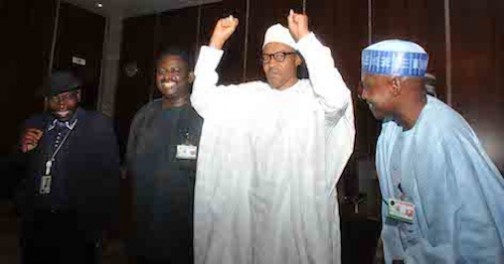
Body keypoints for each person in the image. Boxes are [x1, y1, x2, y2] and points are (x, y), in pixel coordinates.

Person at [191, 10, 355, 264]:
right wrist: (216, 43)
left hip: (299, 222)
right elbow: (201, 99)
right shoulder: (249, 96)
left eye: (280, 56)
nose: (271, 63)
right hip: (252, 221)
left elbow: (338, 98)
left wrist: (306, 39)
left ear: (298, 59)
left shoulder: (314, 99)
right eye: (267, 57)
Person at [360, 39, 504, 263]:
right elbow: (396, 208)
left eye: (368, 86)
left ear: (395, 85)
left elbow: (476, 237)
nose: (364, 95)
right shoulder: (389, 132)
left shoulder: (445, 134)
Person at [17, 71, 120, 264]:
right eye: (55, 98)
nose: (62, 104)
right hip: (37, 221)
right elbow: (15, 172)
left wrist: (105, 227)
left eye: (67, 96)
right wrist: (23, 151)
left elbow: (110, 178)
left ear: (78, 96)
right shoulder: (34, 123)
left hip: (78, 222)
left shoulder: (98, 125)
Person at [126, 48, 203, 264]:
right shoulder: (144, 115)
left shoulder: (203, 116)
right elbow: (131, 165)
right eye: (162, 71)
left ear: (189, 76)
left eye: (175, 70)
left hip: (185, 233)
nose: (167, 76)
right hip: (143, 228)